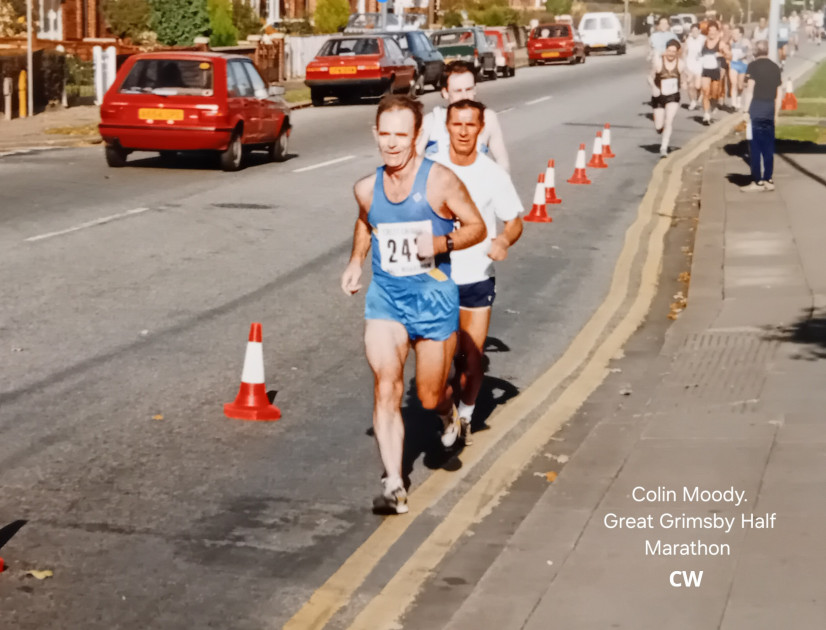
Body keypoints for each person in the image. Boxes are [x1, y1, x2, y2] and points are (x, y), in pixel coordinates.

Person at [341, 94, 487, 513]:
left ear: (418, 136)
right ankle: (394, 483)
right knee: (385, 386)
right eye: (384, 134)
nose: (391, 143)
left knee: (428, 395)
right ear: (375, 134)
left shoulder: (440, 181)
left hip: (434, 298)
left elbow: (476, 226)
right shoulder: (366, 188)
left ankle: (447, 416)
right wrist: (356, 261)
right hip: (386, 298)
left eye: (400, 135)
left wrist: (442, 242)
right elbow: (366, 221)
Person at [429, 100, 523, 446]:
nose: (464, 131)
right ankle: (446, 411)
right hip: (436, 277)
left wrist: (503, 240)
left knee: (472, 357)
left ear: (480, 128)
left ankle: (465, 414)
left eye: (471, 125)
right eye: (457, 124)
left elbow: (514, 220)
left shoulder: (493, 174)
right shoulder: (431, 168)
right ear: (448, 127)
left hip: (476, 276)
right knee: (438, 359)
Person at [417, 61, 510, 172]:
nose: (465, 96)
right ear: (445, 93)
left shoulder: (488, 118)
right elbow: (413, 160)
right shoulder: (431, 120)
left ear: (475, 89)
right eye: (458, 91)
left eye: (469, 89)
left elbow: (502, 163)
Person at [741, 39, 783, 193]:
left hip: (756, 109)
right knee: (768, 146)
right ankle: (769, 179)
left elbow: (750, 91)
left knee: (755, 146)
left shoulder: (753, 66)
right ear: (767, 51)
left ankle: (757, 181)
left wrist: (746, 111)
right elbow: (779, 94)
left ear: (755, 51)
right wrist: (776, 114)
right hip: (769, 109)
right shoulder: (775, 67)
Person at [649, 40, 683, 157]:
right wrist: (653, 87)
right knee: (659, 126)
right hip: (659, 96)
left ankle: (663, 148)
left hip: (673, 96)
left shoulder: (680, 64)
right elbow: (650, 77)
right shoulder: (659, 63)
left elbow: (686, 75)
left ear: (677, 52)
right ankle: (660, 127)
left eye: (674, 52)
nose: (671, 54)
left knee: (669, 121)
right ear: (666, 50)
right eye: (669, 51)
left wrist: (686, 83)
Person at [700, 22, 728, 124]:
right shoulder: (704, 42)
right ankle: (706, 115)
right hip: (705, 70)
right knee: (705, 92)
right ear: (707, 31)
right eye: (710, 30)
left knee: (714, 94)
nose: (711, 33)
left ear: (717, 32)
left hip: (716, 70)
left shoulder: (721, 43)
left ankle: (713, 105)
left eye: (714, 31)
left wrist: (720, 54)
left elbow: (729, 55)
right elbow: (698, 54)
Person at [728, 26, 752, 111]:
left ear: (740, 34)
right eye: (733, 33)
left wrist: (745, 54)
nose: (733, 35)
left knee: (740, 86)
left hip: (743, 64)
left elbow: (750, 52)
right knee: (733, 83)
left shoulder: (745, 42)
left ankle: (738, 100)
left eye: (735, 33)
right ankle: (733, 104)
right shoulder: (731, 42)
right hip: (733, 64)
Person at [684, 23, 706, 110]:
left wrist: (702, 54)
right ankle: (692, 101)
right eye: (693, 31)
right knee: (690, 85)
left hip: (700, 64)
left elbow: (707, 49)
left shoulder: (703, 39)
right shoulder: (688, 40)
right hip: (690, 64)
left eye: (696, 31)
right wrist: (684, 62)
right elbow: (685, 51)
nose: (694, 32)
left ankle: (700, 95)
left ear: (699, 31)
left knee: (697, 86)